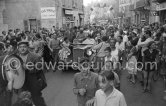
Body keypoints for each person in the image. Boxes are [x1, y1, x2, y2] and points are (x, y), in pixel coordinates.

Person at [17, 41, 47, 106]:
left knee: (36, 98)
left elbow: (39, 68)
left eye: (24, 47)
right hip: (21, 82)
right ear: (18, 48)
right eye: (20, 47)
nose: (22, 49)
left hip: (33, 80)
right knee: (24, 100)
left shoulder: (35, 56)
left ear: (28, 48)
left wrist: (27, 68)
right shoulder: (16, 58)